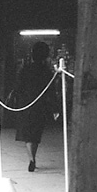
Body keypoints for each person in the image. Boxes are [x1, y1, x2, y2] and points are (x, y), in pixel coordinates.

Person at [14, 41, 56, 172]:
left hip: (26, 103)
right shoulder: (47, 72)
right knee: (36, 133)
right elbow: (51, 90)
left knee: (27, 133)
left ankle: (31, 159)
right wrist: (55, 108)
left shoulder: (25, 69)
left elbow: (18, 86)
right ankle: (33, 157)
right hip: (40, 104)